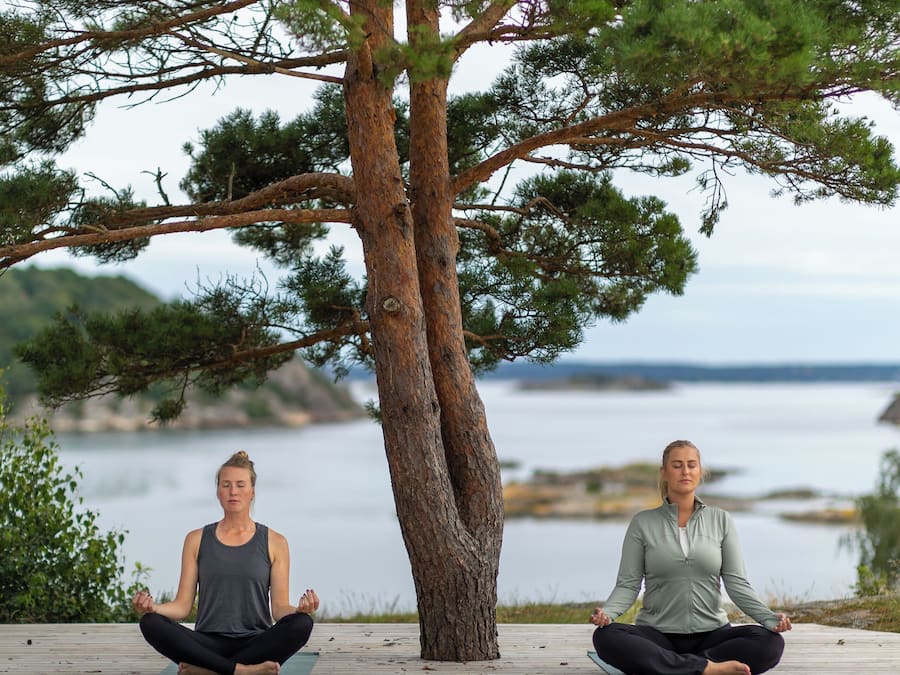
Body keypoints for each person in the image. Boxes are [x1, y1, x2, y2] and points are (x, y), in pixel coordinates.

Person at [590, 440, 791, 675]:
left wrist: (768, 618)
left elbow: (737, 583)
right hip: (657, 635)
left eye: (691, 465)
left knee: (770, 643)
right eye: (677, 465)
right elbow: (628, 584)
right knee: (606, 637)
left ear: (699, 471)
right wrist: (609, 613)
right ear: (664, 472)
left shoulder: (721, 520)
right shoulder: (642, 523)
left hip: (713, 635)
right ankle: (707, 669)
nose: (685, 471)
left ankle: (675, 666)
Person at [133, 450, 319, 675]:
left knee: (302, 624)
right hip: (206, 642)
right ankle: (243, 671)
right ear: (218, 491)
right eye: (226, 484)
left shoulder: (275, 542)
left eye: (240, 485)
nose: (233, 491)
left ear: (252, 492)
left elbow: (279, 609)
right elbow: (182, 606)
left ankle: (207, 670)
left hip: (256, 642)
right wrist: (152, 608)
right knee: (151, 623)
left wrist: (299, 610)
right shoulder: (196, 539)